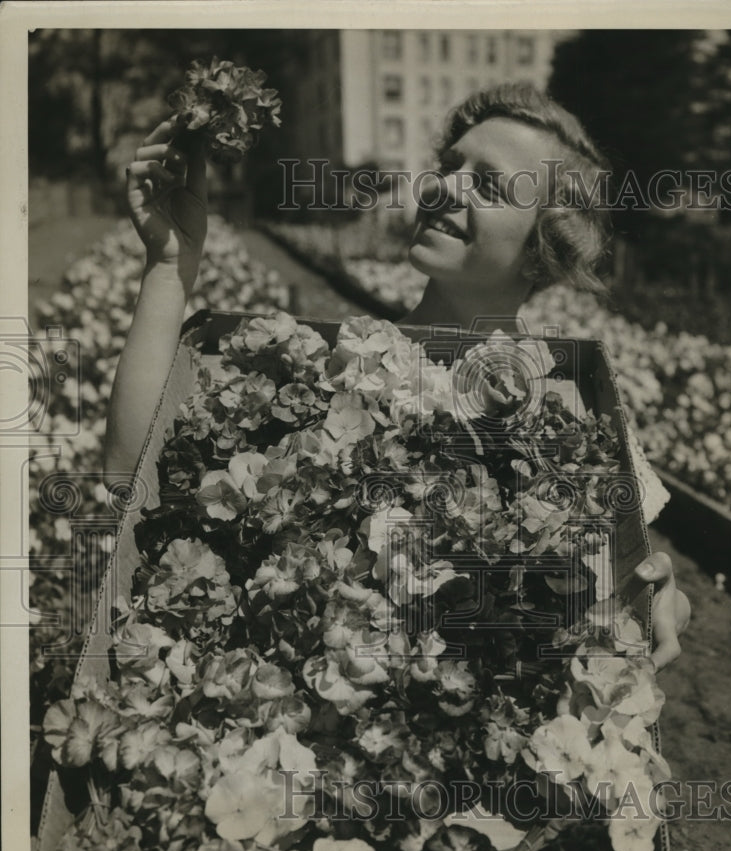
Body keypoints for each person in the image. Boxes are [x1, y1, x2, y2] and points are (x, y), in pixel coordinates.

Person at [104, 82, 689, 670]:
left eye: (487, 184)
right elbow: (137, 478)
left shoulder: (571, 405)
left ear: (546, 241)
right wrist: (168, 267)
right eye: (448, 165)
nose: (443, 187)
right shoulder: (328, 364)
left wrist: (668, 600)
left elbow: (635, 574)